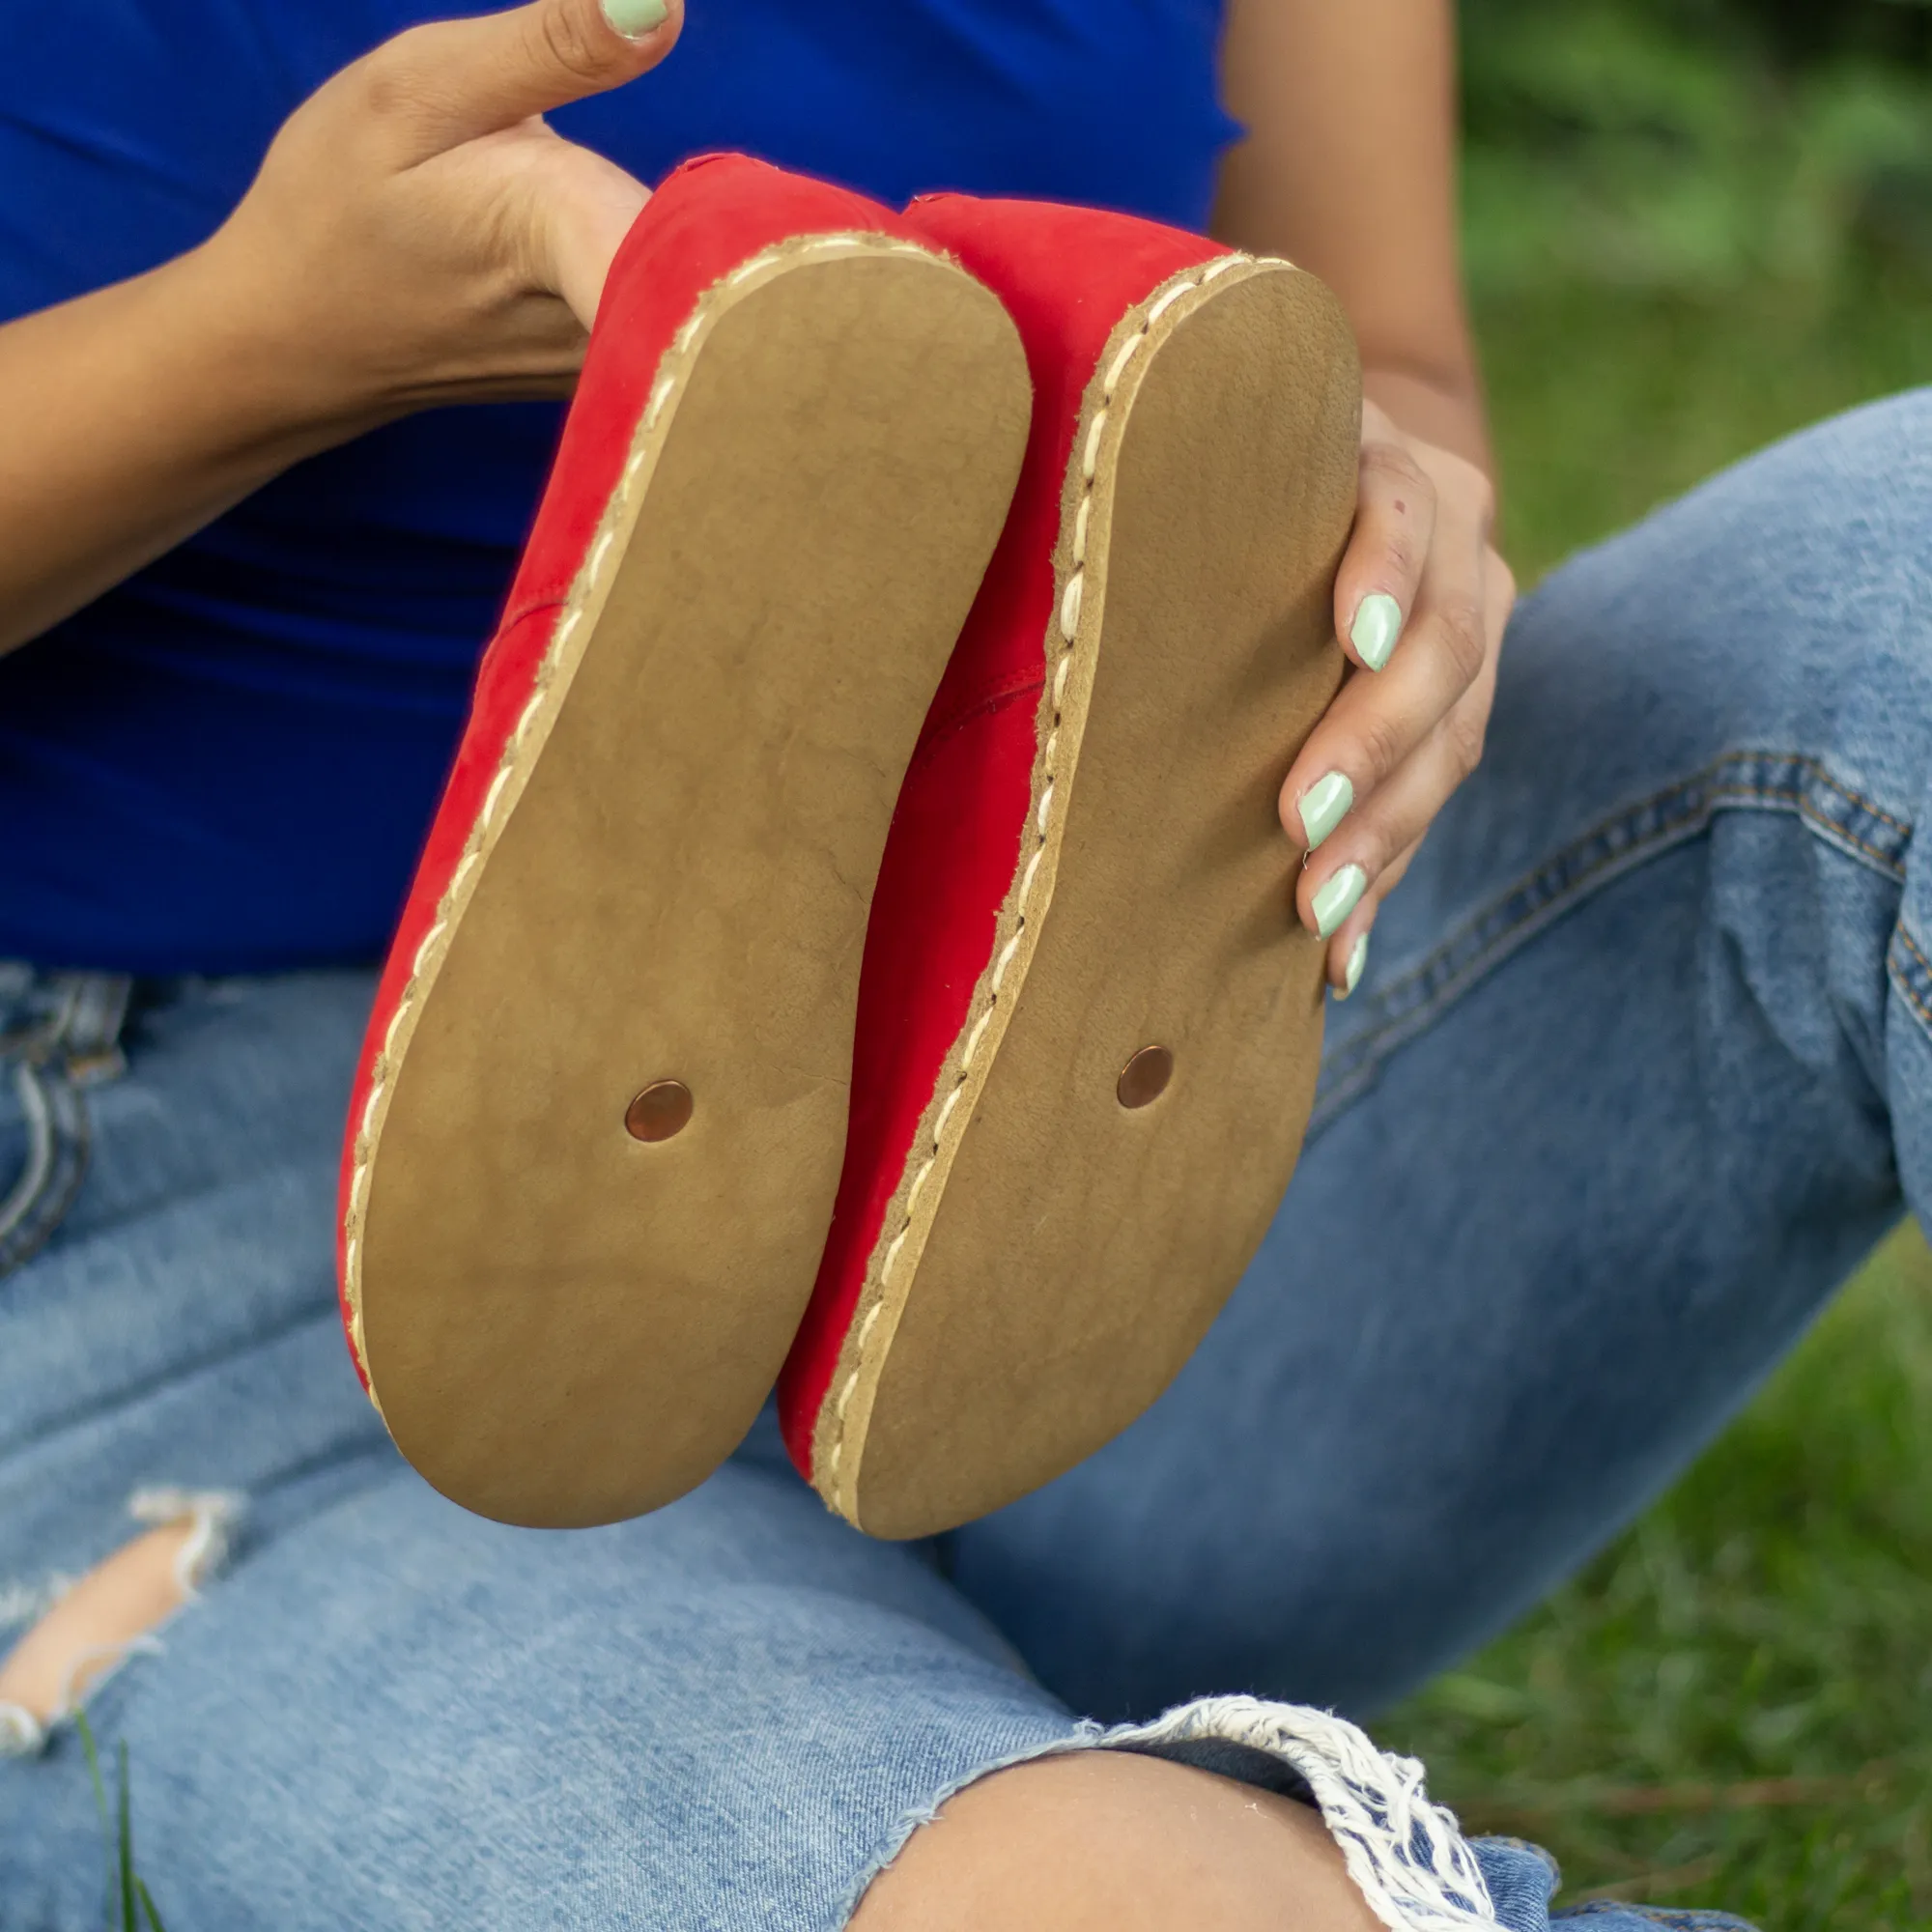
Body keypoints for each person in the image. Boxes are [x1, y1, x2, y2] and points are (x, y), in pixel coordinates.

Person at [0, 0, 1920, 1923]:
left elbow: (1384, 349)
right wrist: (257, 342)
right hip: (191, 1232)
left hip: (1102, 1131)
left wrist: (1393, 542)